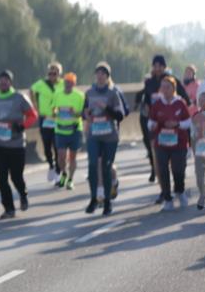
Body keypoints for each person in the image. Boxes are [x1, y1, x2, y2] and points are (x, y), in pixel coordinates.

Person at [0, 70, 37, 219]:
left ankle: (23, 193)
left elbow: (33, 115)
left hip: (16, 145)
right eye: (1, 80)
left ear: (11, 82)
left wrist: (22, 126)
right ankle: (9, 209)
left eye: (6, 80)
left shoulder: (19, 98)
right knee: (1, 178)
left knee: (16, 177)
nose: (3, 82)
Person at [135, 55, 190, 185]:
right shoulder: (149, 82)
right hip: (156, 124)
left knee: (174, 160)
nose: (157, 68)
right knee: (156, 155)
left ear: (165, 67)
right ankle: (161, 183)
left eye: (160, 65)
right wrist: (146, 107)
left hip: (173, 126)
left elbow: (186, 99)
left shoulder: (173, 81)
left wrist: (175, 108)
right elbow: (145, 99)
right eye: (155, 65)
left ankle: (177, 178)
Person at [83, 63, 127, 216]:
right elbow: (84, 112)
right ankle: (94, 198)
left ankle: (107, 202)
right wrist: (86, 114)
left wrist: (106, 108)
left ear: (108, 77)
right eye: (98, 73)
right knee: (93, 165)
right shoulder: (89, 92)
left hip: (109, 136)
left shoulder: (112, 93)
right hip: (94, 135)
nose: (100, 76)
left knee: (106, 167)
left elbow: (120, 115)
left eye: (103, 73)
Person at [147, 76, 193, 211]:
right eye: (163, 87)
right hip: (161, 143)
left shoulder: (180, 103)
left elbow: (188, 122)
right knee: (162, 170)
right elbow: (150, 122)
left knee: (178, 170)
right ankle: (167, 198)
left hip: (179, 143)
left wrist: (177, 124)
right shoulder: (156, 105)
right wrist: (153, 125)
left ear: (174, 89)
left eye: (168, 87)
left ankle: (180, 190)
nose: (165, 90)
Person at [29, 63, 63, 183]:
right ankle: (51, 165)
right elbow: (31, 90)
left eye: (55, 73)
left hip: (58, 119)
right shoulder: (41, 84)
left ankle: (59, 170)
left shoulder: (63, 84)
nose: (52, 76)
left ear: (59, 74)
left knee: (58, 145)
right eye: (50, 73)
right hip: (45, 119)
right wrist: (35, 107)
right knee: (47, 146)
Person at [52, 72, 85, 190]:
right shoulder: (57, 94)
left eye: (70, 83)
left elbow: (84, 113)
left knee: (72, 157)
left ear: (74, 84)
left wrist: (75, 113)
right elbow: (53, 108)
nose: (68, 85)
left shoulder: (80, 96)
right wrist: (55, 112)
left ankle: (70, 179)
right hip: (60, 129)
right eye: (66, 82)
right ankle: (64, 174)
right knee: (61, 156)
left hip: (75, 129)